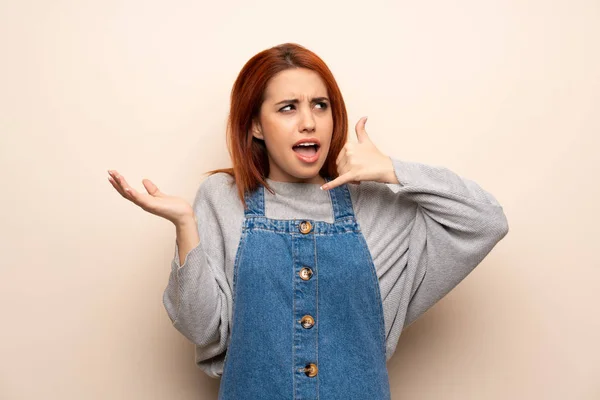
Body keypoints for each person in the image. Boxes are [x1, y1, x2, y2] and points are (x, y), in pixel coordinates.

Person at [108, 42, 509, 400]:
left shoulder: (373, 205)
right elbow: (201, 328)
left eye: (321, 105)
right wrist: (185, 226)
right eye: (288, 108)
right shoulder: (222, 199)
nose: (309, 121)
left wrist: (391, 170)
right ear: (255, 125)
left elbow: (486, 221)